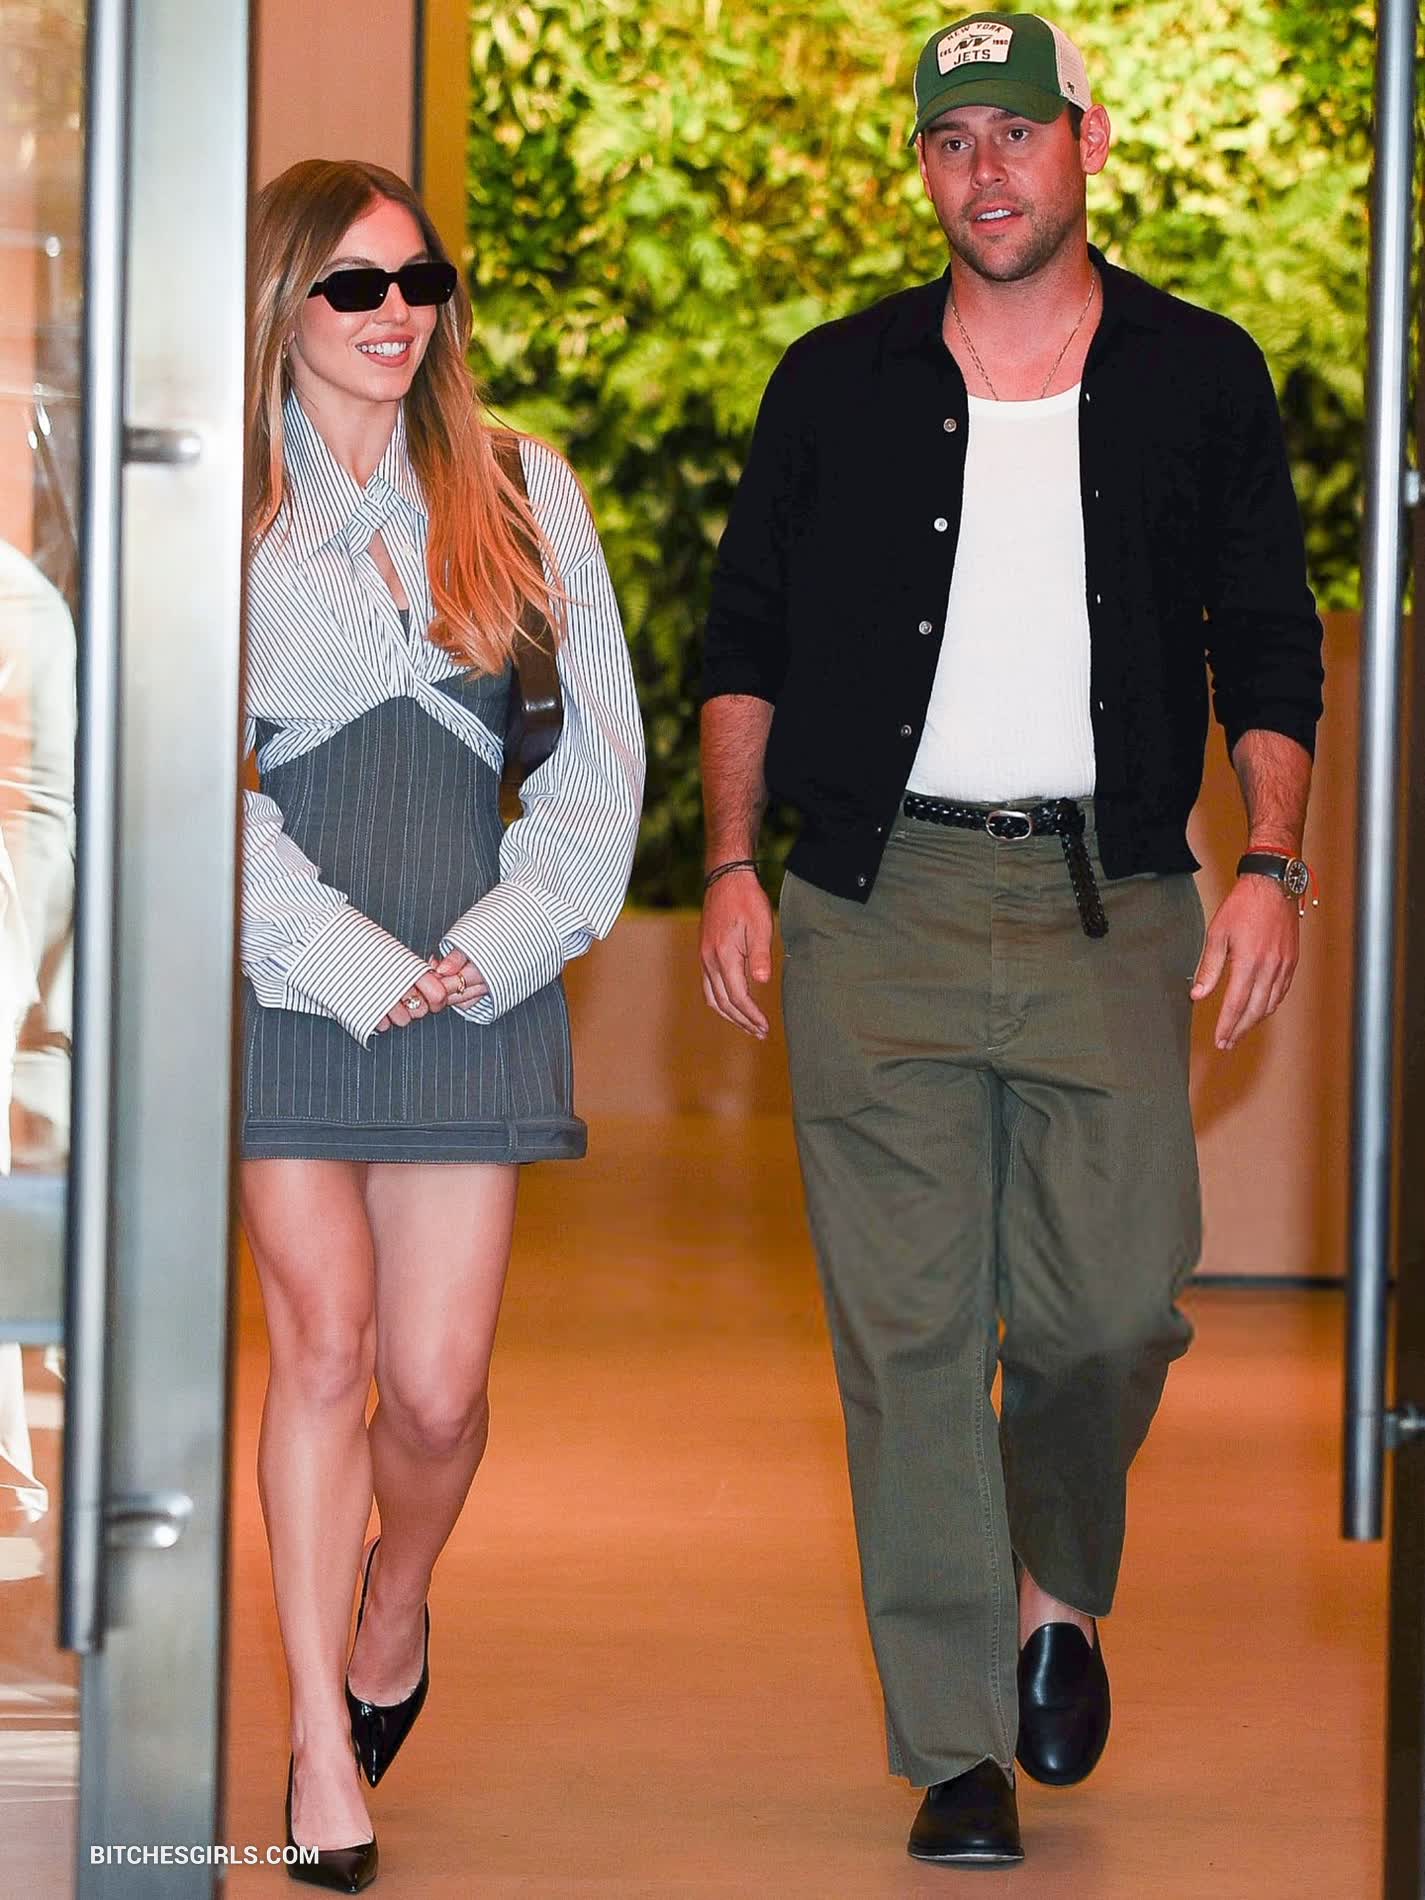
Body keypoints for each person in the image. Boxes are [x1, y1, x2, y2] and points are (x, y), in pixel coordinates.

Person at [698, 11, 1321, 1869]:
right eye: (951, 139)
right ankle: (954, 1743)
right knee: (906, 1342)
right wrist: (729, 864)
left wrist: (1270, 862)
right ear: (923, 165)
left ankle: (1060, 1578)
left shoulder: (1200, 375)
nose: (986, 171)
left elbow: (1265, 637)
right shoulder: (835, 381)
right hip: (872, 908)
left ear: (1086, 142)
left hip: (1108, 901)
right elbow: (745, 638)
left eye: (1016, 134)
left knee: (1110, 1310)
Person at [240, 158, 644, 1891]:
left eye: (420, 282)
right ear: (285, 303)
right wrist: (337, 951)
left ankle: (391, 1607)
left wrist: (487, 950)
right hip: (282, 974)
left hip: (479, 978)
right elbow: (177, 772)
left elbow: (598, 764)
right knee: (322, 1347)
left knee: (435, 1390)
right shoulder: (216, 510)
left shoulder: (520, 489)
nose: (395, 313)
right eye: (355, 286)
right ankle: (317, 1743)